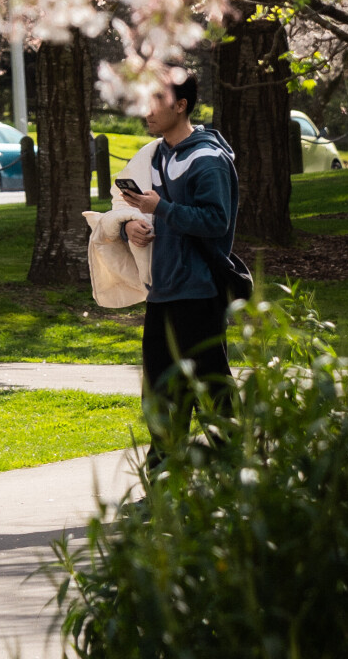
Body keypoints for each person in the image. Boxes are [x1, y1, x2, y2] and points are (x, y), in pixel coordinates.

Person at [119, 71, 238, 456]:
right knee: (159, 395)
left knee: (213, 393)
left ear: (181, 105)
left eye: (155, 101)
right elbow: (136, 212)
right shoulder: (155, 155)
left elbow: (216, 221)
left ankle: (240, 479)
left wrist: (162, 208)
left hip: (200, 292)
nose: (146, 110)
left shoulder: (208, 158)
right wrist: (131, 228)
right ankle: (164, 483)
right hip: (162, 291)